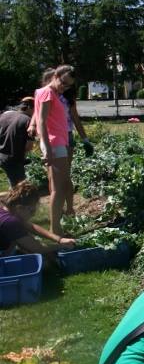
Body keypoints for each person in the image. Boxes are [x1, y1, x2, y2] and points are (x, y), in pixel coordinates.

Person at [34, 65, 75, 236]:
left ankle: (56, 225)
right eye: (63, 82)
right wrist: (48, 148)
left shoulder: (54, 93)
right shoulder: (47, 92)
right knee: (59, 188)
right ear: (56, 75)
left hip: (59, 143)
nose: (64, 87)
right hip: (54, 144)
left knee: (62, 185)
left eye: (68, 86)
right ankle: (55, 228)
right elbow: (42, 121)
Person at [0, 180, 75, 257]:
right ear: (20, 208)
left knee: (19, 232)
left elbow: (31, 227)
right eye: (32, 211)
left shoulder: (5, 208)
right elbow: (38, 249)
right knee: (19, 238)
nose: (34, 214)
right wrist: (63, 245)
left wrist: (59, 239)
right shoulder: (10, 222)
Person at [62, 85, 93, 216]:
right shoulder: (52, 96)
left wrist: (85, 140)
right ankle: (64, 208)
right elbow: (76, 120)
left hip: (63, 137)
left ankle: (68, 208)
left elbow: (76, 119)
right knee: (61, 175)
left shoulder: (66, 99)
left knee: (61, 175)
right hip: (60, 137)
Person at [0, 97, 35, 187]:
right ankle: (14, 200)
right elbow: (29, 147)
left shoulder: (5, 115)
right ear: (29, 108)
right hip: (15, 158)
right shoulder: (28, 121)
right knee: (19, 188)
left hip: (2, 156)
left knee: (13, 183)